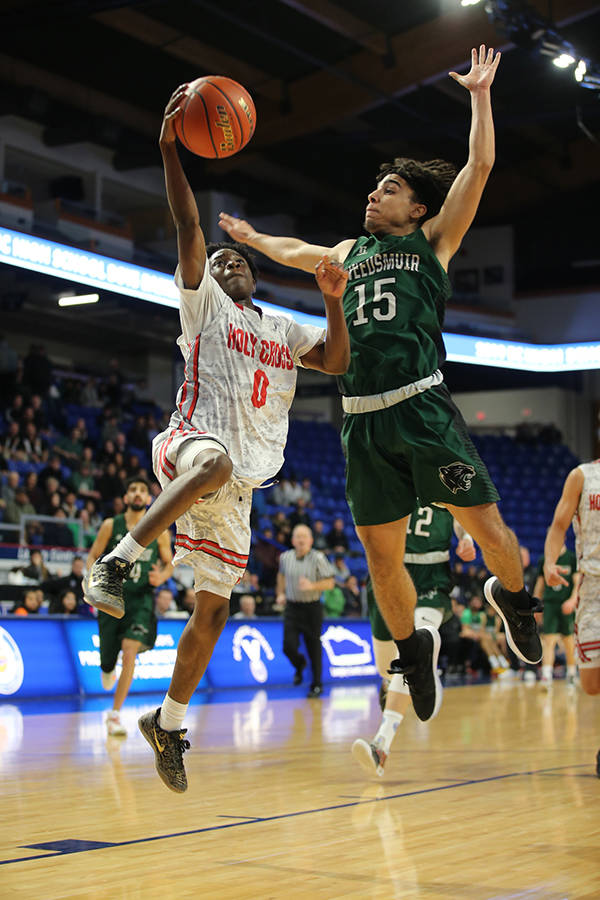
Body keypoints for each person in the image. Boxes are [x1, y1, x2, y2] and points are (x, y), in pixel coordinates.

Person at [219, 45, 542, 722]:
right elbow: (296, 253)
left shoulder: (434, 242)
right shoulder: (345, 253)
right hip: (362, 418)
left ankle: (514, 598)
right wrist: (252, 237)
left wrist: (480, 95)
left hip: (422, 407)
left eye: (388, 189)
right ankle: (410, 651)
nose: (373, 194)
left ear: (417, 207)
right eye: (372, 187)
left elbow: (480, 165)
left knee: (488, 528)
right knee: (379, 555)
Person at [83, 84, 350, 792]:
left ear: (256, 280)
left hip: (240, 485)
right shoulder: (203, 304)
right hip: (188, 443)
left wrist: (330, 299)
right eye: (222, 260)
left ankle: (167, 724)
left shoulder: (283, 330)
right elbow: (188, 223)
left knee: (215, 608)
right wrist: (170, 149)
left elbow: (341, 361)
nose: (228, 263)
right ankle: (117, 560)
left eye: (241, 263)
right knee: (215, 459)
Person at [352, 505, 475, 776]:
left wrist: (466, 537)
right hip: (388, 568)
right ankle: (423, 676)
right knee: (386, 668)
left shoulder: (441, 466)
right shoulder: (386, 465)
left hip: (432, 576)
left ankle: (381, 744)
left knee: (418, 642)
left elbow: (461, 514)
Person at [86, 477, 173, 736]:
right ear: (126, 498)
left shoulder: (159, 529)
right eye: (133, 490)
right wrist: (95, 578)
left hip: (141, 600)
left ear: (148, 499)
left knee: (130, 649)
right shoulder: (111, 525)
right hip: (112, 599)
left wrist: (162, 577)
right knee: (107, 662)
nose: (137, 493)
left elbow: (170, 563)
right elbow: (93, 555)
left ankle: (114, 715)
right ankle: (107, 668)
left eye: (143, 490)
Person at [543, 460, 600, 776]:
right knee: (591, 684)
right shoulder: (582, 476)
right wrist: (550, 561)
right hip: (592, 586)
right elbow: (559, 525)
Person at [276, 524, 336, 697]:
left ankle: (317, 685)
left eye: (304, 537)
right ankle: (299, 664)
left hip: (312, 608)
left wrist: (312, 586)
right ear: (293, 540)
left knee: (313, 647)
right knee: (288, 646)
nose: (301, 540)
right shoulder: (285, 557)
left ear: (311, 540)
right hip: (292, 607)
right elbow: (281, 576)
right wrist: (280, 593)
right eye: (298, 536)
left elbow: (330, 583)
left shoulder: (318, 558)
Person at [533, 545, 579, 689]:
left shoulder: (571, 558)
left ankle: (571, 673)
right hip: (550, 604)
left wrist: (573, 600)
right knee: (549, 639)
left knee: (568, 640)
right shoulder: (544, 559)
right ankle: (547, 675)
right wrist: (535, 605)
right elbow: (540, 584)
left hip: (566, 603)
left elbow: (578, 582)